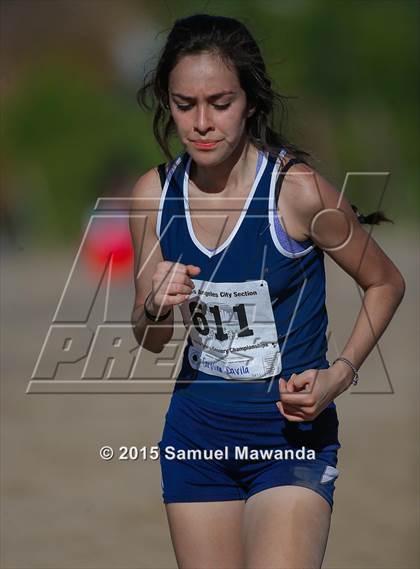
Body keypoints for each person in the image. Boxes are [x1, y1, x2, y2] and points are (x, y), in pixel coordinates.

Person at [130, 14, 405, 569]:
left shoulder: (296, 190)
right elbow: (151, 337)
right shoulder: (154, 194)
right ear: (167, 101)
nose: (203, 122)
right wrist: (155, 301)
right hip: (197, 440)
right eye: (185, 105)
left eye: (221, 102)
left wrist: (339, 374)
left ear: (250, 102)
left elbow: (385, 282)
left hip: (289, 441)